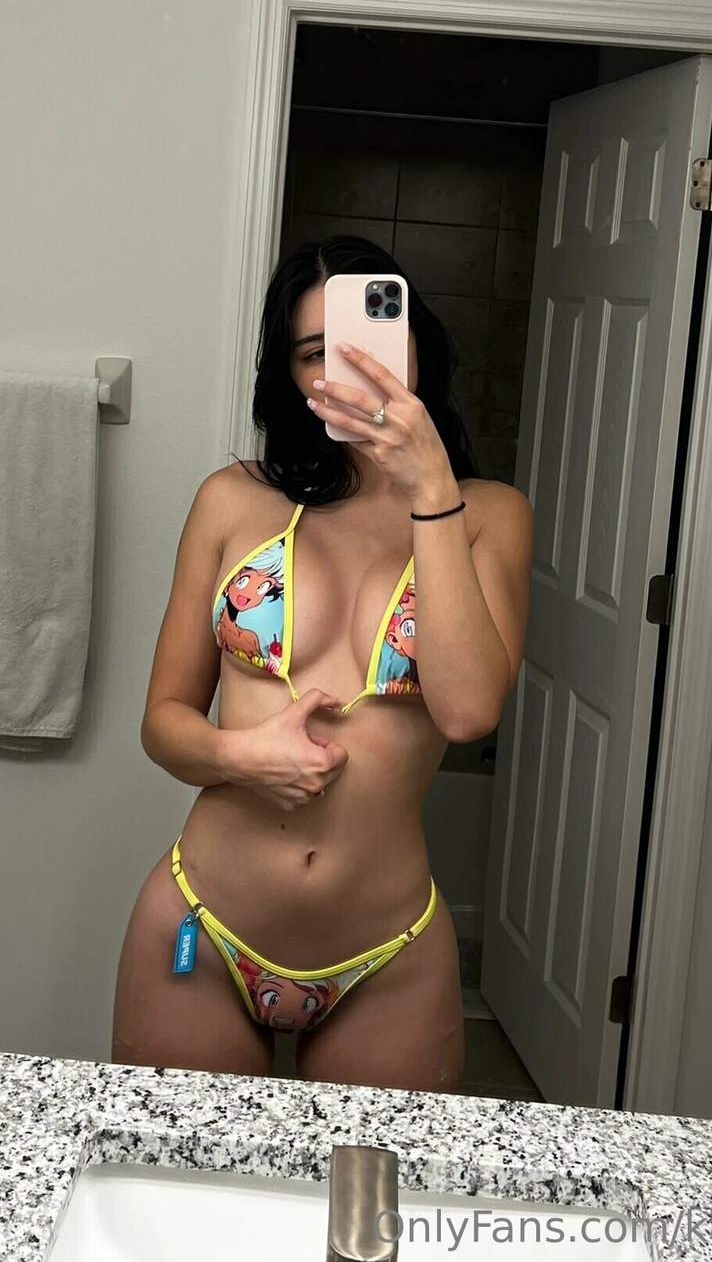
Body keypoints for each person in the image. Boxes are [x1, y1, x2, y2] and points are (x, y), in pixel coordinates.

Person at [112, 234, 532, 1090]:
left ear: (414, 344)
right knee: (179, 1175)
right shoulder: (231, 500)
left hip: (388, 955)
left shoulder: (488, 514)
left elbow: (467, 712)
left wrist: (430, 488)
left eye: (371, 339)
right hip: (205, 925)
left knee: (366, 1185)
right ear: (290, 375)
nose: (350, 369)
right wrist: (240, 755)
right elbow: (163, 723)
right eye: (315, 352)